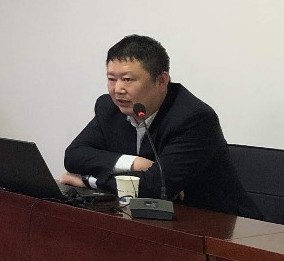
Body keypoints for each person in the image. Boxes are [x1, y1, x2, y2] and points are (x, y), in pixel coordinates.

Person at [60, 34, 261, 218]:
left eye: (128, 80)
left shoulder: (194, 118)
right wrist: (134, 163)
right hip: (150, 219)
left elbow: (154, 188)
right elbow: (74, 156)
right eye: (111, 79)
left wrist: (88, 180)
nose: (118, 89)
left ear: (162, 81)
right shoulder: (109, 108)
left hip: (219, 225)